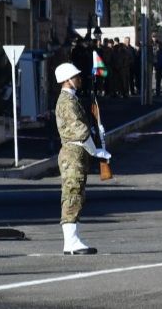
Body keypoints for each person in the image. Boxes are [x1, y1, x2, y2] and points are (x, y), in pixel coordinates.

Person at [54, 62, 109, 254]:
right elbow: (81, 131)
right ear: (67, 80)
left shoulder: (72, 99)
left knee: (77, 194)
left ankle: (73, 239)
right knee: (72, 195)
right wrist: (96, 152)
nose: (79, 79)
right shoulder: (67, 102)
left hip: (77, 153)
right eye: (76, 76)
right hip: (73, 152)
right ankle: (71, 242)